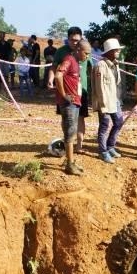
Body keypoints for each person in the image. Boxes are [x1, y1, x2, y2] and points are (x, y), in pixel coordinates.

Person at [55, 40, 91, 175]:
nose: (87, 56)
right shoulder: (69, 60)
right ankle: (69, 165)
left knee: (71, 131)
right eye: (86, 53)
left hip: (75, 102)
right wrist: (64, 95)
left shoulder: (76, 63)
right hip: (69, 103)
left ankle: (69, 160)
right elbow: (58, 76)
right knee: (70, 132)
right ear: (78, 50)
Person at [92, 38, 126, 164]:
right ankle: (102, 151)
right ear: (109, 51)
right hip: (105, 101)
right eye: (116, 50)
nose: (118, 52)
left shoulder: (115, 64)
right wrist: (102, 105)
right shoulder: (100, 66)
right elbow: (99, 87)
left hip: (114, 100)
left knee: (119, 122)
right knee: (104, 126)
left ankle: (110, 146)